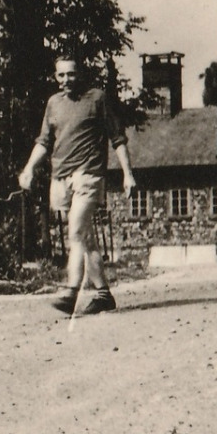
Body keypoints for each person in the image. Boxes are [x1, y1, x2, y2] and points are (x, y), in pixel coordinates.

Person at [18, 56, 138, 317]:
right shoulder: (53, 103)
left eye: (71, 74)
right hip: (60, 177)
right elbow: (44, 141)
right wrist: (29, 168)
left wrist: (128, 174)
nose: (66, 81)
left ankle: (71, 292)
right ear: (55, 76)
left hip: (89, 175)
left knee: (75, 232)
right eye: (60, 75)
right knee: (86, 238)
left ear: (81, 73)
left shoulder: (97, 98)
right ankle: (104, 295)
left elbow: (117, 139)